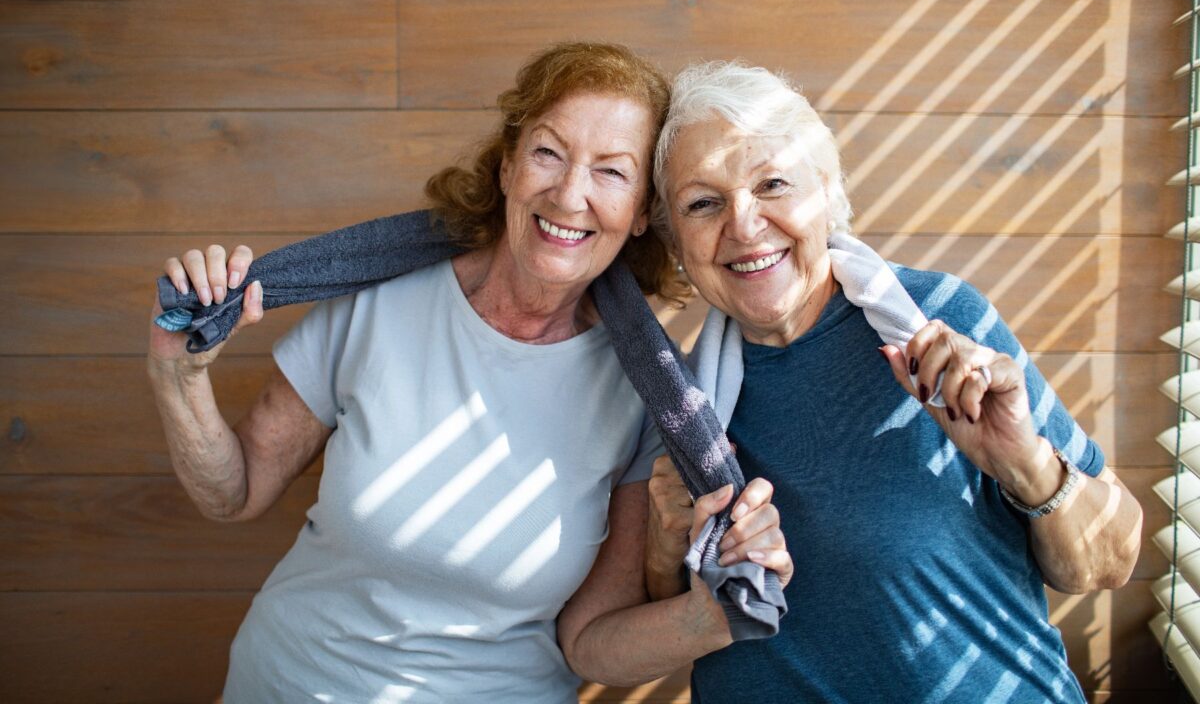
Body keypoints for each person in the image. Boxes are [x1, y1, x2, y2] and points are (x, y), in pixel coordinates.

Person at [146, 42, 788, 703]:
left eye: (611, 173)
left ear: (642, 216)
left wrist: (717, 611)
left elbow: (591, 643)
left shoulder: (650, 395)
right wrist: (179, 377)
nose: (570, 194)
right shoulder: (377, 300)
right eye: (548, 153)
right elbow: (237, 491)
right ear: (508, 167)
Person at [641, 61, 1144, 703]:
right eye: (703, 203)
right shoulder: (686, 401)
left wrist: (1026, 465)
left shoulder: (940, 326)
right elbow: (673, 626)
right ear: (673, 238)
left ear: (825, 192)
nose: (743, 225)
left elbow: (1110, 561)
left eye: (772, 184)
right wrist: (664, 544)